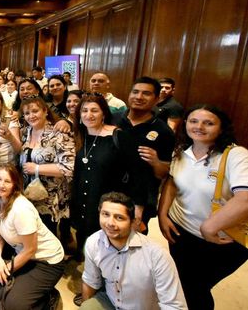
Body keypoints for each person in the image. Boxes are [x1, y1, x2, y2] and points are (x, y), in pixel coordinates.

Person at [158, 104, 248, 310]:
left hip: (222, 240)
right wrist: (163, 215)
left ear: (221, 128)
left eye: (208, 123)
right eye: (193, 121)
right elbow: (171, 182)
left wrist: (209, 227)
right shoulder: (181, 152)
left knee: (195, 288)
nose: (199, 127)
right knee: (182, 282)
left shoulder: (235, 155)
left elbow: (245, 197)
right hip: (181, 233)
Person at [71, 93, 151, 260]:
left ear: (104, 114)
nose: (88, 115)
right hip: (82, 200)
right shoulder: (80, 135)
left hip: (109, 203)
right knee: (86, 241)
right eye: (84, 110)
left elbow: (139, 173)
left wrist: (138, 208)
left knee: (109, 247)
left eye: (94, 110)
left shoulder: (118, 136)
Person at [0, 165, 65, 310]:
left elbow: (31, 249)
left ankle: (48, 297)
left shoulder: (21, 209)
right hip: (20, 250)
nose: (1, 185)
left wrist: (7, 268)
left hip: (46, 260)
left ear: (15, 185)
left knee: (13, 304)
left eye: (7, 181)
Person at [81, 192, 187, 310]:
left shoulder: (157, 255)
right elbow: (90, 281)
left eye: (119, 217)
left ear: (133, 221)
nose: (110, 223)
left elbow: (174, 305)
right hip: (110, 302)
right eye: (105, 214)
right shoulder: (93, 242)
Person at [112, 76, 175, 231]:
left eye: (146, 93)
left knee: (133, 242)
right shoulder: (113, 119)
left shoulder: (163, 131)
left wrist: (156, 162)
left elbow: (163, 173)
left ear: (156, 98)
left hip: (140, 198)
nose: (139, 97)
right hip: (108, 191)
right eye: (135, 92)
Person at [18, 96, 75, 237]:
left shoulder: (59, 133)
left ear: (45, 111)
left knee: (48, 236)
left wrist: (37, 168)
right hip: (30, 193)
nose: (31, 116)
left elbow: (69, 167)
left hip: (50, 197)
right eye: (27, 113)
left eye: (35, 111)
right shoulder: (26, 132)